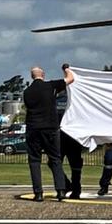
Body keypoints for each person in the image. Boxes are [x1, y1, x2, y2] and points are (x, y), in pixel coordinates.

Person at [23, 64, 74, 202]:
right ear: (43, 75)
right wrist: (66, 68)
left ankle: (38, 193)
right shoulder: (50, 86)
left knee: (34, 160)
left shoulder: (27, 92)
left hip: (33, 128)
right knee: (55, 159)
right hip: (50, 127)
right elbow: (70, 79)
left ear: (32, 76)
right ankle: (61, 190)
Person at [56, 91, 84, 199]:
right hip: (74, 136)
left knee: (55, 163)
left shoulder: (56, 101)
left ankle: (66, 185)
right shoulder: (77, 101)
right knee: (76, 166)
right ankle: (76, 189)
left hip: (60, 136)